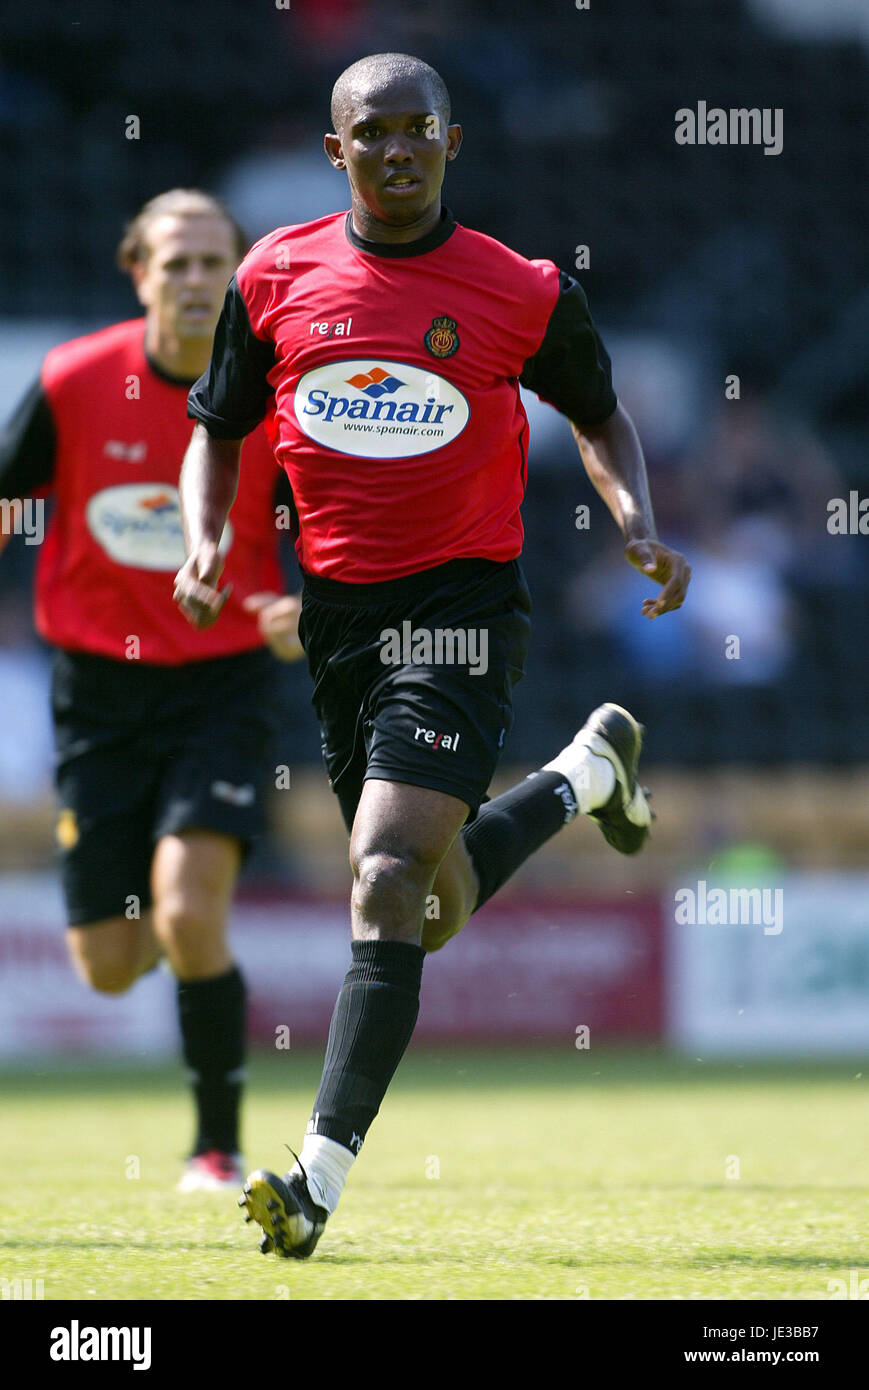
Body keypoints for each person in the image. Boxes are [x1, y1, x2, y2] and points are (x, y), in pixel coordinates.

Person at [174, 54, 690, 1256]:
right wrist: (205, 541)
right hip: (339, 624)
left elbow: (598, 409)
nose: (396, 150)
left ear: (452, 144)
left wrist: (634, 522)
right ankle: (583, 778)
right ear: (333, 151)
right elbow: (215, 426)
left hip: (460, 613)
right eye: (372, 134)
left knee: (380, 875)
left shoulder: (516, 288)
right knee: (428, 903)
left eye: (418, 131)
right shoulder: (273, 275)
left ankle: (313, 1179)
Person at [0, 189, 304, 1191]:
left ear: (240, 282)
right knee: (110, 962)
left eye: (213, 262)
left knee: (188, 911)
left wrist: (305, 612)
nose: (193, 280)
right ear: (138, 273)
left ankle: (215, 1146)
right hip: (97, 698)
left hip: (220, 690)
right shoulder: (75, 380)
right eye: (174, 262)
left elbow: (333, 539)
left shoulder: (273, 400)